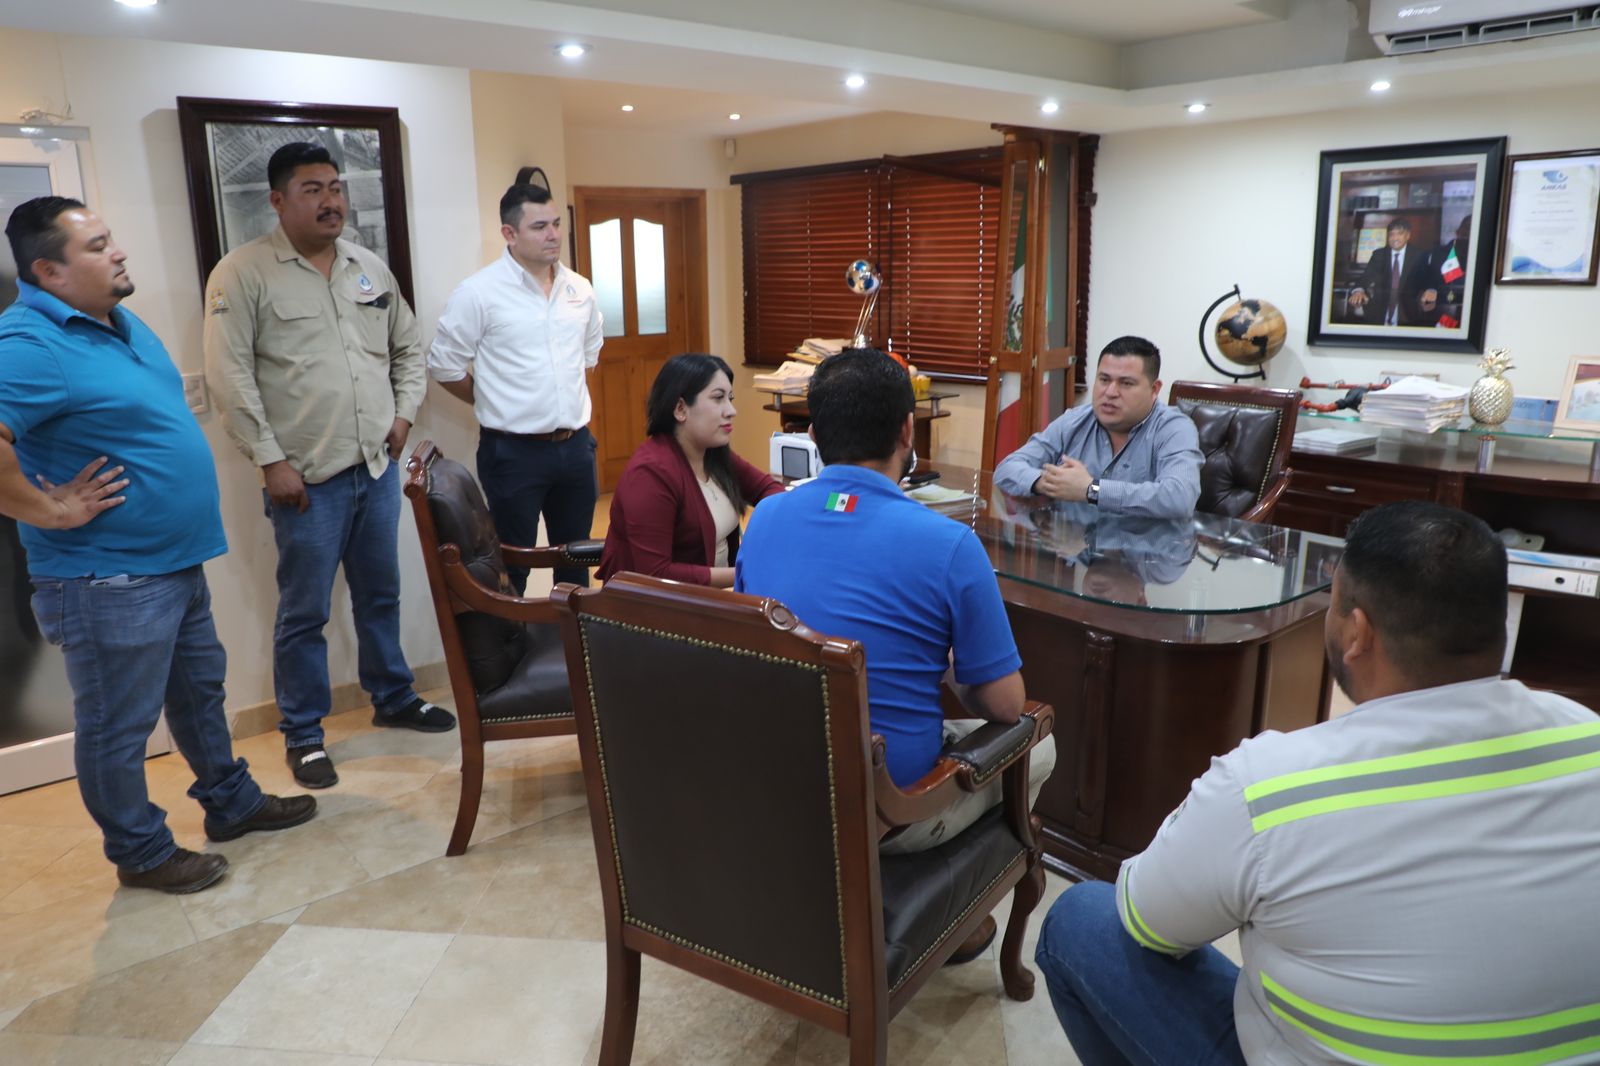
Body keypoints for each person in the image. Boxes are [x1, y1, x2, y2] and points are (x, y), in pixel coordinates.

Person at [1034, 500, 1600, 1066]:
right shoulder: (1588, 736)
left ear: (1357, 632)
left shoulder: (1269, 785)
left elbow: (1148, 919)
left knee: (1083, 919)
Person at [0, 197, 315, 894]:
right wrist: (52, 511)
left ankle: (230, 803)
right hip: (106, 578)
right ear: (50, 271)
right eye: (97, 246)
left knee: (199, 695)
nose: (117, 252)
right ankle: (140, 851)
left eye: (110, 239)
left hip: (171, 563)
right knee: (118, 726)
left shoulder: (118, 320)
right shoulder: (28, 344)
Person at [737, 347, 1056, 863]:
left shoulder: (765, 518)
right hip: (889, 806)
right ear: (909, 430)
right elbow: (1005, 706)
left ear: (813, 436)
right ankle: (954, 893)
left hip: (778, 779)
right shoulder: (949, 543)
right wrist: (950, 668)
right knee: (1038, 743)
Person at [204, 142, 453, 791]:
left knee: (380, 594)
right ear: (278, 200)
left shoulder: (368, 268)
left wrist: (403, 417)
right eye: (312, 189)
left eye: (335, 187)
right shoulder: (243, 274)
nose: (330, 200)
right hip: (305, 480)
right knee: (304, 612)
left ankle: (393, 696)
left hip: (375, 469)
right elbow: (230, 377)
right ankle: (305, 734)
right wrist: (269, 460)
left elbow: (407, 349)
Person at [429, 182, 604, 592]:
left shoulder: (579, 289)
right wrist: (489, 397)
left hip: (576, 448)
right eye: (540, 227)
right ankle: (514, 635)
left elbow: (588, 357)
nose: (553, 235)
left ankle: (571, 636)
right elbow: (443, 365)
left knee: (576, 559)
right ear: (509, 233)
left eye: (556, 224)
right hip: (513, 453)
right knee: (512, 565)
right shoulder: (479, 293)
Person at [597, 354, 782, 587]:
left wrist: (761, 540)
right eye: (718, 398)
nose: (731, 410)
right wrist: (744, 572)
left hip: (710, 597)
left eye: (730, 398)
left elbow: (770, 491)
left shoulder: (713, 453)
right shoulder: (649, 474)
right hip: (653, 605)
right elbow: (655, 575)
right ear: (680, 409)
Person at [993, 335, 1201, 519]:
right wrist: (1048, 483)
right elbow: (1006, 469)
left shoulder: (1174, 428)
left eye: (1126, 383)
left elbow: (1179, 498)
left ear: (1154, 389)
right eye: (1104, 379)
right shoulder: (1074, 421)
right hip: (1077, 544)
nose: (1110, 392)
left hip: (1146, 548)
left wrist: (1091, 490)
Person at [1346, 218, 1424, 327]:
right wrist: (1359, 291)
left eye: (1400, 234)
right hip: (1380, 310)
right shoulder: (1379, 255)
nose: (1395, 238)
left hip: (1409, 313)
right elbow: (1365, 278)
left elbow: (1425, 280)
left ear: (1408, 236)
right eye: (1391, 234)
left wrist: (1430, 290)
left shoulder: (1418, 255)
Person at [1413, 215, 1473, 329]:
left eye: (1472, 230)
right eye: (1467, 228)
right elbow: (1417, 283)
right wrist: (1430, 290)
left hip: (1473, 319)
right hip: (1442, 317)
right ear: (1458, 232)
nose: (1469, 234)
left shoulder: (1484, 256)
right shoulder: (1436, 254)